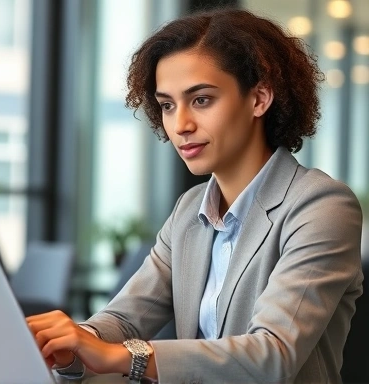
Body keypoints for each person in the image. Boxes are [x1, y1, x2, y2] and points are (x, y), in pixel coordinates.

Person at [27, 7, 363, 383]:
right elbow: (125, 318)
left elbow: (272, 355)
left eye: (201, 99)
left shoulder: (321, 206)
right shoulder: (190, 210)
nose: (181, 125)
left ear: (259, 98)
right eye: (167, 105)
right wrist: (73, 343)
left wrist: (122, 356)